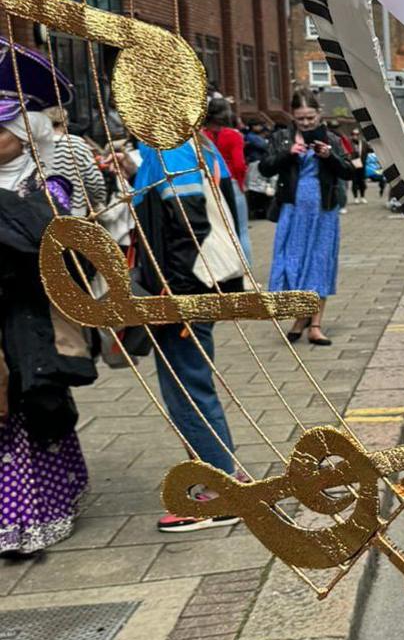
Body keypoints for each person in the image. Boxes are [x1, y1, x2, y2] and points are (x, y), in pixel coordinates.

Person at [131, 136, 244, 533]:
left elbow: (189, 220)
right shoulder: (191, 143)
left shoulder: (170, 147)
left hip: (183, 291)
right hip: (189, 288)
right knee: (190, 383)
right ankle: (223, 473)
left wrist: (177, 298)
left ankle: (218, 492)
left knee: (187, 388)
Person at [0, 91, 93, 557]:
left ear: (25, 138)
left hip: (28, 316)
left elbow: (41, 247)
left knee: (27, 405)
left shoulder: (48, 187)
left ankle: (33, 515)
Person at [260, 91, 359, 346]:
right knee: (291, 263)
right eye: (301, 118)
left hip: (323, 211)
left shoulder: (333, 139)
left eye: (310, 118)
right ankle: (300, 318)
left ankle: (315, 324)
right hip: (293, 211)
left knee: (319, 263)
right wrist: (289, 153)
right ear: (293, 116)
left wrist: (330, 156)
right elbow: (265, 167)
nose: (306, 123)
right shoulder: (282, 138)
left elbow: (349, 172)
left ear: (319, 115)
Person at [203, 97, 252, 258]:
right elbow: (239, 164)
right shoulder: (234, 135)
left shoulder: (201, 136)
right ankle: (246, 272)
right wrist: (242, 183)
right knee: (241, 231)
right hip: (232, 183)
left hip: (209, 185)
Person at [42, 106, 106, 219]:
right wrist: (98, 201)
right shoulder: (76, 144)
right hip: (74, 213)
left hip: (41, 213)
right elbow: (94, 181)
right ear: (65, 121)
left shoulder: (34, 144)